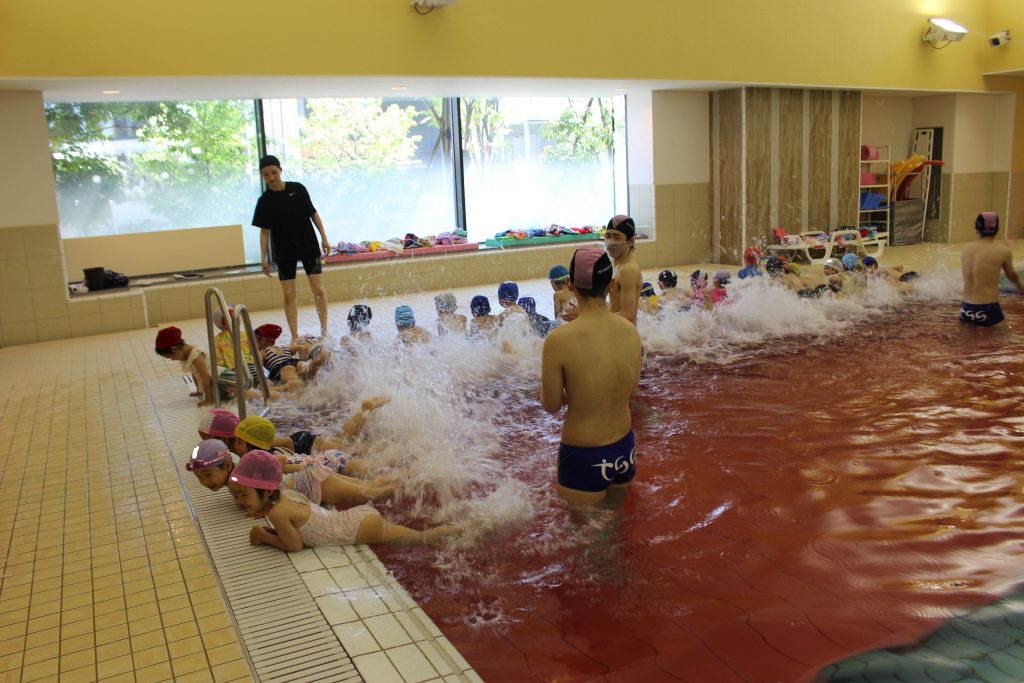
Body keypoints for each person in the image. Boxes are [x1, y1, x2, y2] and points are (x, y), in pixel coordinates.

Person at [540, 247, 642, 506]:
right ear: (611, 285)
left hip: (584, 454)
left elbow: (551, 405)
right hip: (624, 447)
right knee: (619, 520)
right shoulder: (630, 330)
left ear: (570, 284)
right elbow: (632, 390)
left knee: (587, 530)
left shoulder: (559, 340)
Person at [235, 451, 458, 550]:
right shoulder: (286, 495)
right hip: (357, 519)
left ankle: (458, 530)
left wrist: (265, 537)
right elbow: (299, 526)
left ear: (266, 491)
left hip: (358, 529)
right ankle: (420, 479)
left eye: (244, 494)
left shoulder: (277, 513)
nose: (240, 500)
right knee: (376, 490)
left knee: (420, 539)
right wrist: (271, 528)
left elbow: (294, 546)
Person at [252, 155, 331, 342]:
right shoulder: (265, 201)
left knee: (318, 290)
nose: (271, 177)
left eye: (274, 172)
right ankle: (294, 335)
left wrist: (324, 238)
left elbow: (313, 214)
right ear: (262, 176)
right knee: (288, 294)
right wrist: (263, 259)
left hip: (308, 245)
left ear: (280, 170)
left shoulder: (298, 189)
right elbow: (264, 232)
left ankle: (324, 331)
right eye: (266, 174)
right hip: (284, 250)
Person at [186, 439, 393, 508]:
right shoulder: (241, 470)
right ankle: (405, 477)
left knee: (374, 492)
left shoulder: (237, 480)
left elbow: (280, 463)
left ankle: (406, 482)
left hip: (312, 482)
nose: (205, 482)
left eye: (208, 474)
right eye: (199, 478)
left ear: (226, 466)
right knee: (373, 485)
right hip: (313, 474)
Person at [961, 211, 1022, 327]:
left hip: (966, 308)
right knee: (1005, 334)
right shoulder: (1003, 252)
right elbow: (1011, 275)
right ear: (997, 230)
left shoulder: (966, 249)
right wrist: (1020, 288)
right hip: (988, 308)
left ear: (976, 229)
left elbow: (984, 257)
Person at [253, 323, 328, 393]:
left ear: (263, 340)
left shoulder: (262, 352)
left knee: (294, 379)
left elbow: (258, 368)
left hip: (282, 366)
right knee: (306, 370)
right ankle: (312, 367)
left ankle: (300, 382)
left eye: (255, 340)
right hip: (294, 362)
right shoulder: (283, 347)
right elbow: (301, 347)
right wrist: (303, 359)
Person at [155, 326, 213, 405]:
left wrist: (208, 400)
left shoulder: (196, 356)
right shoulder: (188, 354)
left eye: (170, 357)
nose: (172, 359)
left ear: (174, 349)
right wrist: (199, 391)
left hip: (218, 382)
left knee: (217, 395)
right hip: (210, 383)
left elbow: (206, 378)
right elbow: (195, 373)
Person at [605, 215, 642, 325]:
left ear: (631, 241)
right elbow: (614, 306)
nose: (610, 242)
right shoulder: (618, 265)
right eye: (608, 236)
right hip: (616, 328)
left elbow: (628, 314)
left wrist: (593, 319)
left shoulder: (628, 270)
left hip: (624, 333)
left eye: (617, 237)